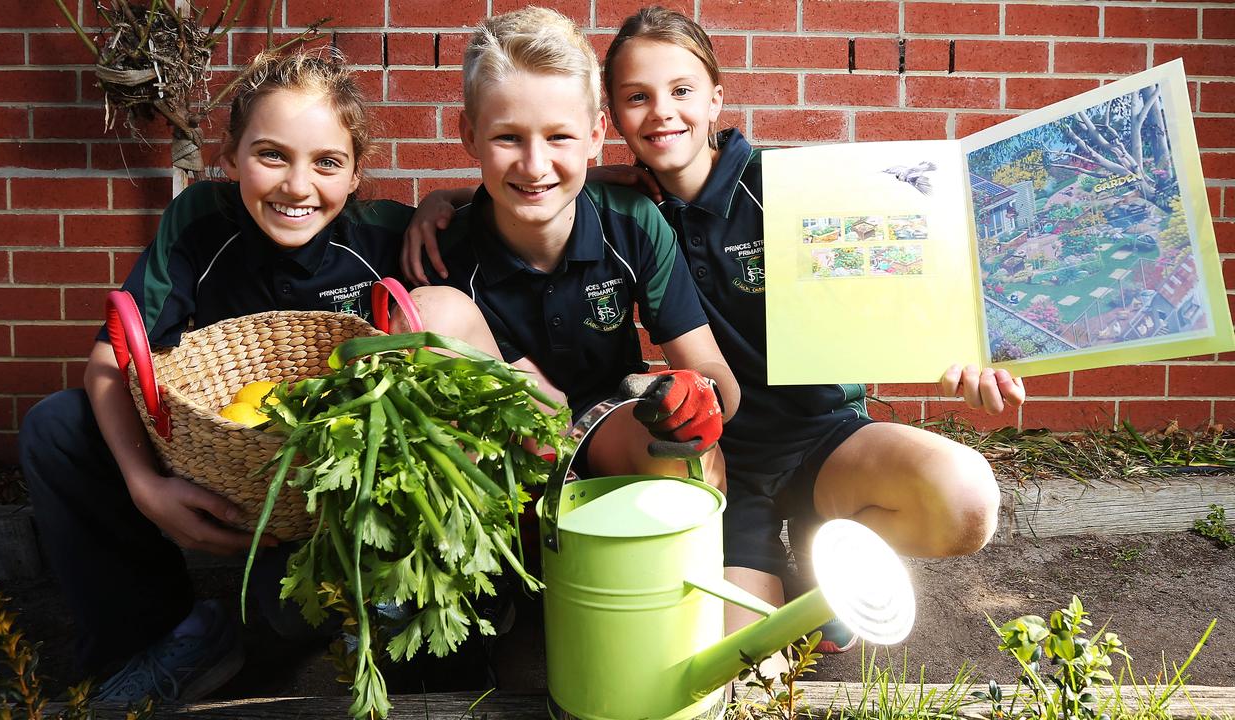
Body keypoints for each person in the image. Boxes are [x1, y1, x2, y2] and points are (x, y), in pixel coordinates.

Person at [404, 5, 1025, 663]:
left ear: (716, 97)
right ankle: (784, 588)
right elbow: (536, 176)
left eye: (681, 90)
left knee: (966, 500)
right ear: (610, 121)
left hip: (821, 437)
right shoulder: (629, 207)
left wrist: (968, 347)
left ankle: (824, 548)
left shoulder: (791, 186)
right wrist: (444, 200)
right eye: (637, 97)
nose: (662, 112)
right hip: (715, 459)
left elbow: (908, 271)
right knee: (733, 662)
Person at [19, 48, 417, 703]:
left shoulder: (388, 238)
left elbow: (503, 220)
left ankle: (382, 628)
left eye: (326, 162)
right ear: (229, 157)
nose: (296, 185)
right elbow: (107, 361)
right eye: (270, 155)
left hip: (317, 498)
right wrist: (146, 486)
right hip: (206, 462)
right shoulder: (199, 222)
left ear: (355, 177)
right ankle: (165, 639)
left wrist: (451, 201)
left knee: (292, 614)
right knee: (58, 426)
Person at [410, 6, 740, 489]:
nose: (534, 164)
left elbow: (712, 370)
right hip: (501, 450)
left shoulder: (632, 223)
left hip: (609, 423)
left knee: (691, 459)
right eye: (508, 138)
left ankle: (672, 562)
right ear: (469, 135)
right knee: (429, 316)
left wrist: (699, 397)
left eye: (559, 137)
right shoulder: (440, 251)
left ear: (595, 135)